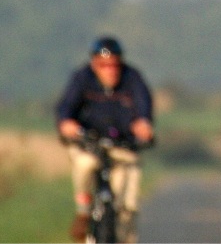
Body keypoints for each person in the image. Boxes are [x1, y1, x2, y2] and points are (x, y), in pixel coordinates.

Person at [56, 36, 154, 243]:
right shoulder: (82, 79)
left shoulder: (132, 78)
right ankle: (83, 211)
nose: (110, 70)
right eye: (104, 65)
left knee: (126, 205)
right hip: (89, 143)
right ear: (94, 64)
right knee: (84, 165)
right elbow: (66, 107)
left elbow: (143, 104)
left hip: (124, 146)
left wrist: (143, 124)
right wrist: (66, 123)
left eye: (114, 65)